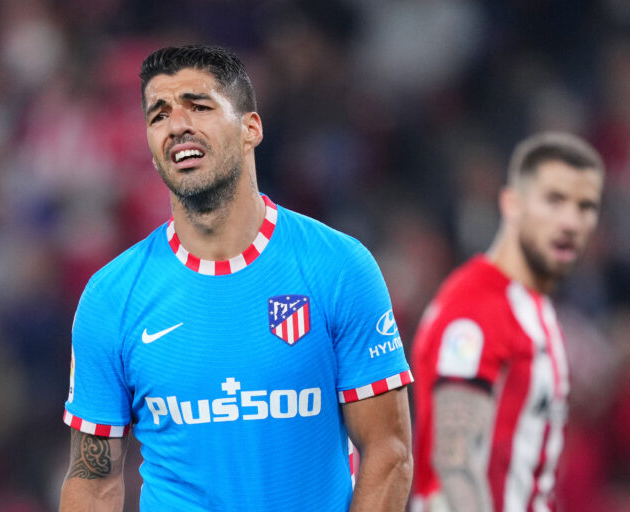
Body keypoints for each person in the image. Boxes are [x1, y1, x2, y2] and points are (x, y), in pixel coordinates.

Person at [58, 44, 414, 511]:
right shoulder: (111, 297)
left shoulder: (339, 268)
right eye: (159, 115)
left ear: (251, 129)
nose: (176, 125)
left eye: (199, 107)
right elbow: (93, 480)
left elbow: (389, 452)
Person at [410, 132, 605, 512]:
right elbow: (453, 464)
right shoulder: (477, 307)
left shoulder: (533, 309)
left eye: (585, 207)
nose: (570, 222)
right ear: (512, 204)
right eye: (554, 200)